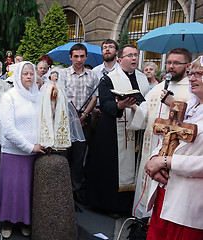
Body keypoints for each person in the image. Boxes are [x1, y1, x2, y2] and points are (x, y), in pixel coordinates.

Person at [86, 44, 150, 215]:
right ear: (120, 59)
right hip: (112, 130)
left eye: (136, 55)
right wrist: (119, 105)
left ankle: (130, 204)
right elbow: (105, 103)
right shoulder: (109, 78)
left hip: (137, 130)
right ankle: (110, 205)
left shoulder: (143, 78)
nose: (134, 58)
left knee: (134, 166)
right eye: (130, 55)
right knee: (111, 167)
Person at [144, 56, 203, 240]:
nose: (191, 78)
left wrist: (166, 161)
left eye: (199, 74)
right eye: (191, 73)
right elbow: (167, 137)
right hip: (165, 192)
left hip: (189, 203)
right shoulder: (189, 108)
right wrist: (154, 160)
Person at [129, 48, 192, 218]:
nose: (171, 67)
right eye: (169, 62)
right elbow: (144, 113)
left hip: (171, 154)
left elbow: (193, 124)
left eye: (176, 63)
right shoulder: (158, 88)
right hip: (150, 150)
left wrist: (174, 104)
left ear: (187, 66)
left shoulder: (191, 91)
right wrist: (133, 106)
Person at [0, 61, 45, 238]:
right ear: (17, 76)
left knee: (27, 190)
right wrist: (29, 146)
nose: (29, 76)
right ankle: (8, 221)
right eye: (25, 73)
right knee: (12, 189)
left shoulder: (38, 96)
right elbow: (8, 129)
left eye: (31, 73)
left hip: (34, 153)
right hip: (14, 152)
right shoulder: (10, 97)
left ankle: (24, 221)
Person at [57, 43, 99, 202]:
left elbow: (94, 97)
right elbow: (60, 96)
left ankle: (75, 189)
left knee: (79, 156)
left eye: (82, 56)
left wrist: (84, 114)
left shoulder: (92, 75)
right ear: (70, 57)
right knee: (64, 155)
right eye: (76, 56)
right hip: (67, 120)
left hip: (84, 120)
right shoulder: (63, 74)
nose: (79, 59)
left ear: (86, 57)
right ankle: (63, 190)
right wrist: (72, 115)